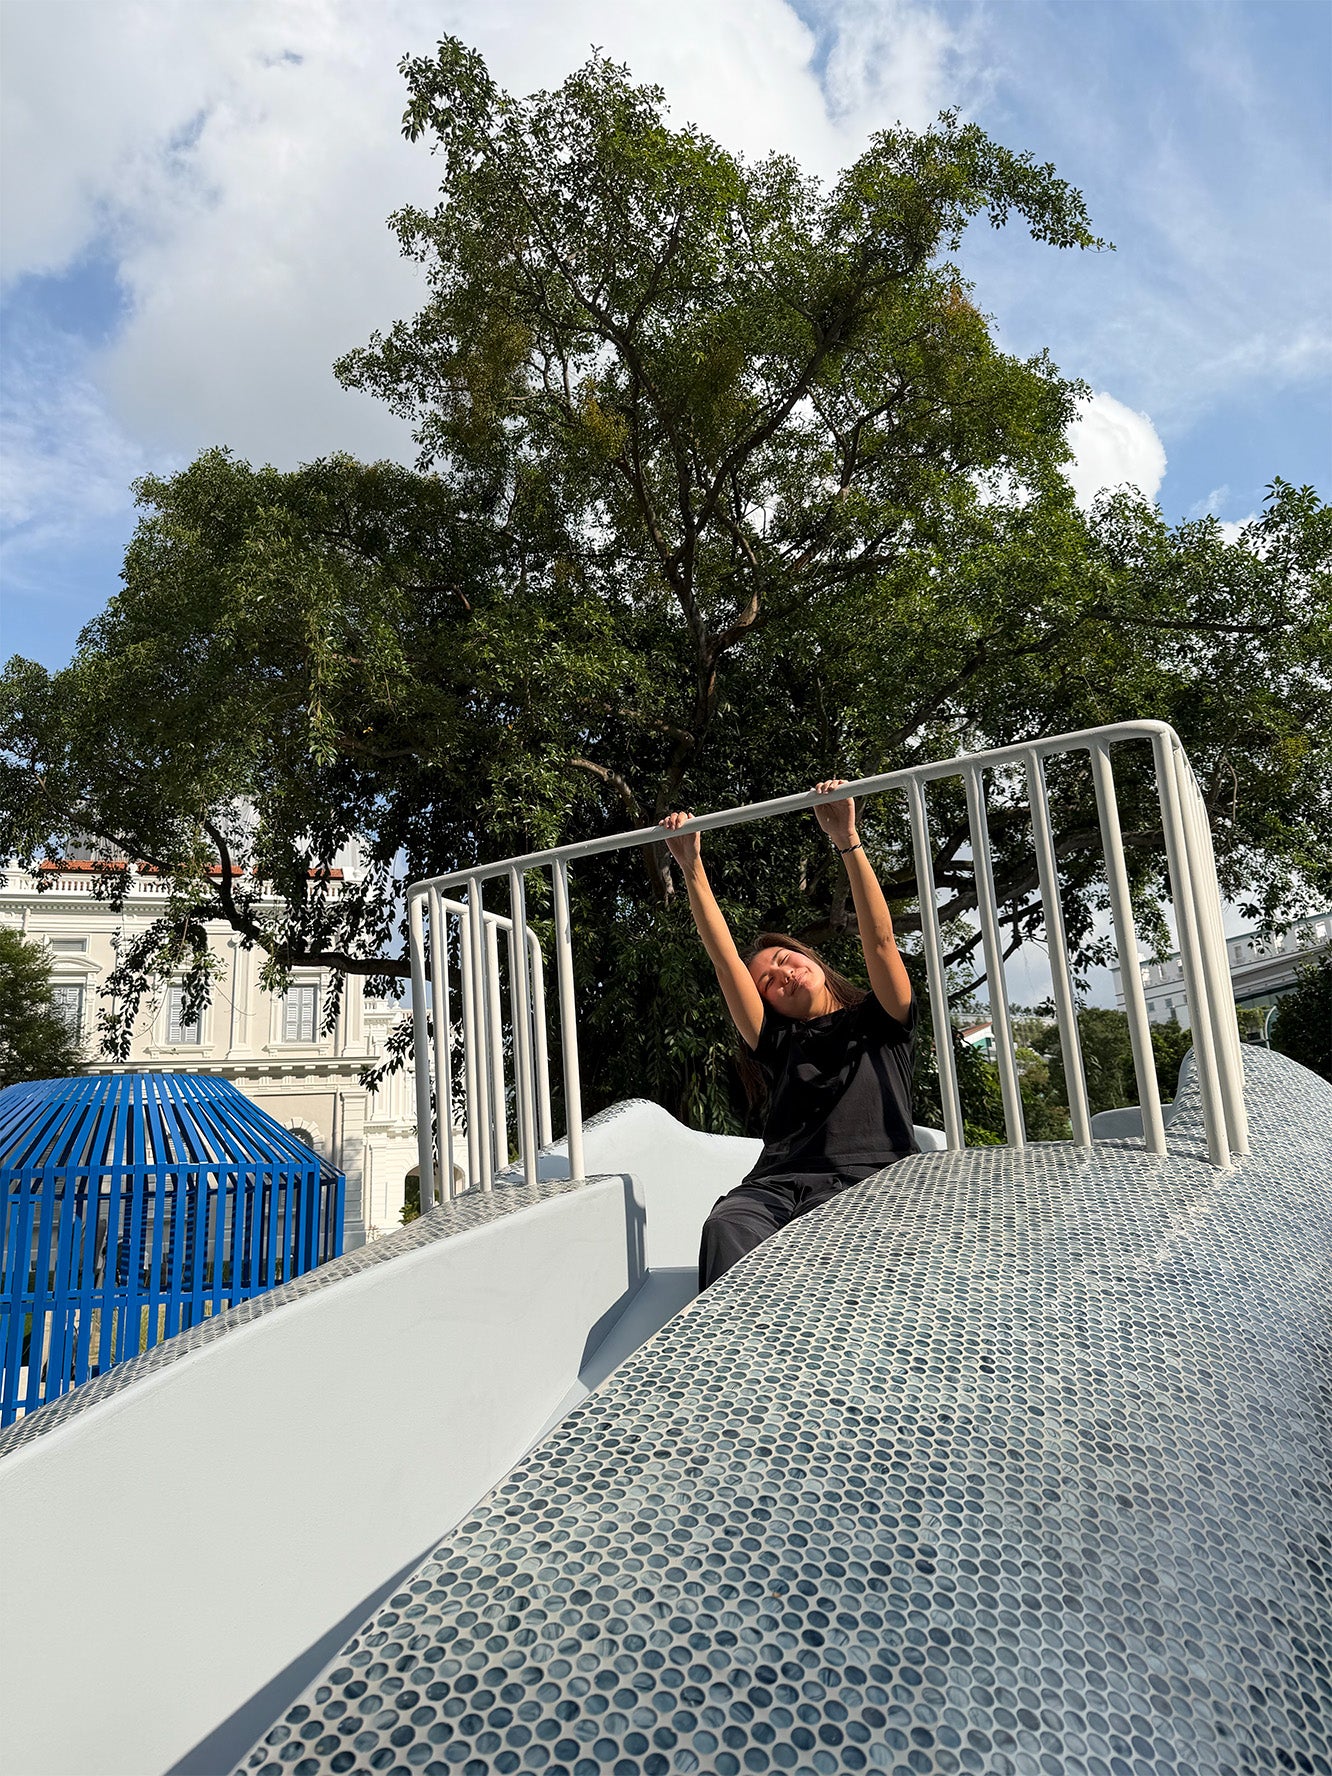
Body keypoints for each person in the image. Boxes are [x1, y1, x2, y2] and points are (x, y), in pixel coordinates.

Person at [660, 782, 918, 1290]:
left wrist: (847, 838)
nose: (782, 975)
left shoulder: (881, 1017)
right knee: (726, 1226)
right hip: (778, 1183)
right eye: (768, 983)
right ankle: (733, 1354)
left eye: (783, 960)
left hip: (869, 1182)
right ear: (768, 1004)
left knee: (831, 1245)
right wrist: (690, 866)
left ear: (809, 957)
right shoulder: (776, 1041)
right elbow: (724, 960)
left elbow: (883, 941)